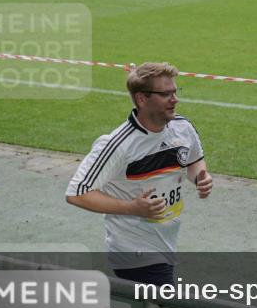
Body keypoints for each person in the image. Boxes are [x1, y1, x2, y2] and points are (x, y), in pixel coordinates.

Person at [66, 62, 212, 286]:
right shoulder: (117, 145)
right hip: (135, 252)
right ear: (142, 99)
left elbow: (194, 160)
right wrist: (132, 208)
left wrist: (200, 177)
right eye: (165, 94)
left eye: (175, 92)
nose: (175, 99)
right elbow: (77, 193)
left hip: (165, 240)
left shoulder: (182, 127)